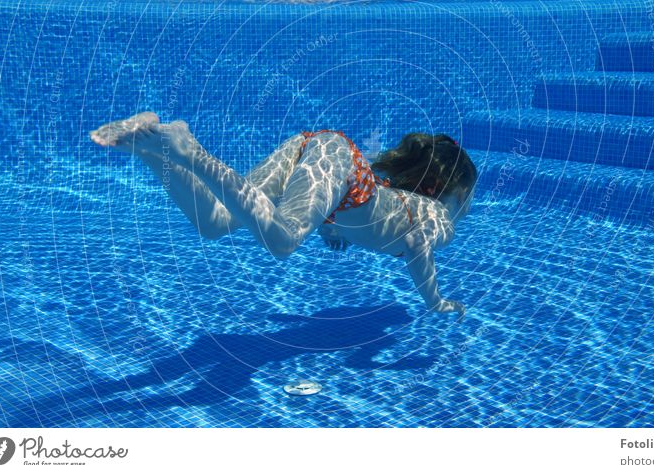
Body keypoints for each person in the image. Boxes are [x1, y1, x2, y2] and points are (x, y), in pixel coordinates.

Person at [90, 112, 477, 318]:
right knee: (284, 239)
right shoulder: (440, 217)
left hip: (315, 149)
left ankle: (151, 149)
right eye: (468, 199)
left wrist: (332, 229)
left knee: (214, 222)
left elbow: (356, 210)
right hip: (337, 161)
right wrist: (434, 299)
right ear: (457, 193)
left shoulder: (399, 198)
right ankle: (189, 150)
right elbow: (414, 243)